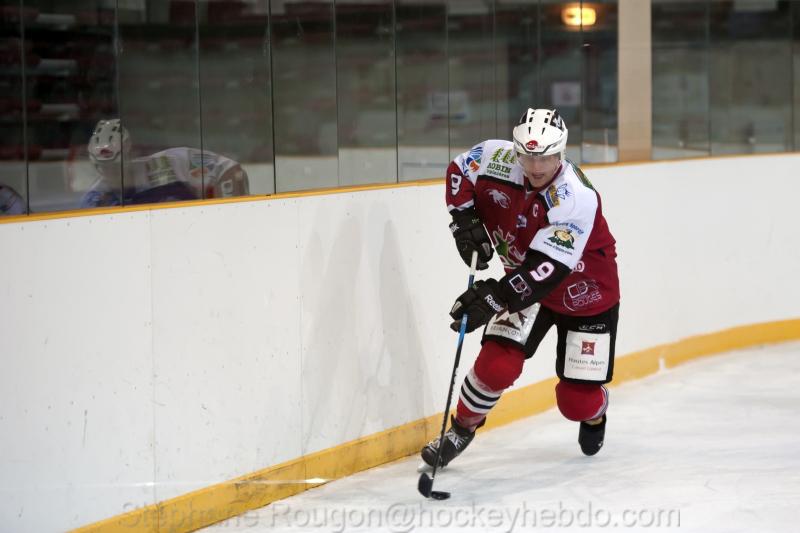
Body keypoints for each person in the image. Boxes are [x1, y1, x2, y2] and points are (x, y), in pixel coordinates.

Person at [421, 108, 620, 468]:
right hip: (524, 280)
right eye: (527, 156)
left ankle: (595, 413)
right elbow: (459, 170)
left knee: (576, 403)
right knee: (496, 365)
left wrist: (495, 296)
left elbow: (547, 268)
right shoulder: (494, 156)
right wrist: (464, 220)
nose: (536, 166)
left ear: (561, 152)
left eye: (546, 157)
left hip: (584, 290)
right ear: (515, 150)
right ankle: (461, 429)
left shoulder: (575, 197)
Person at [80, 119, 249, 208]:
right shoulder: (95, 201)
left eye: (116, 165)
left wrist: (227, 215)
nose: (110, 172)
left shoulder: (169, 163)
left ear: (129, 155)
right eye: (103, 167)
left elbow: (229, 170)